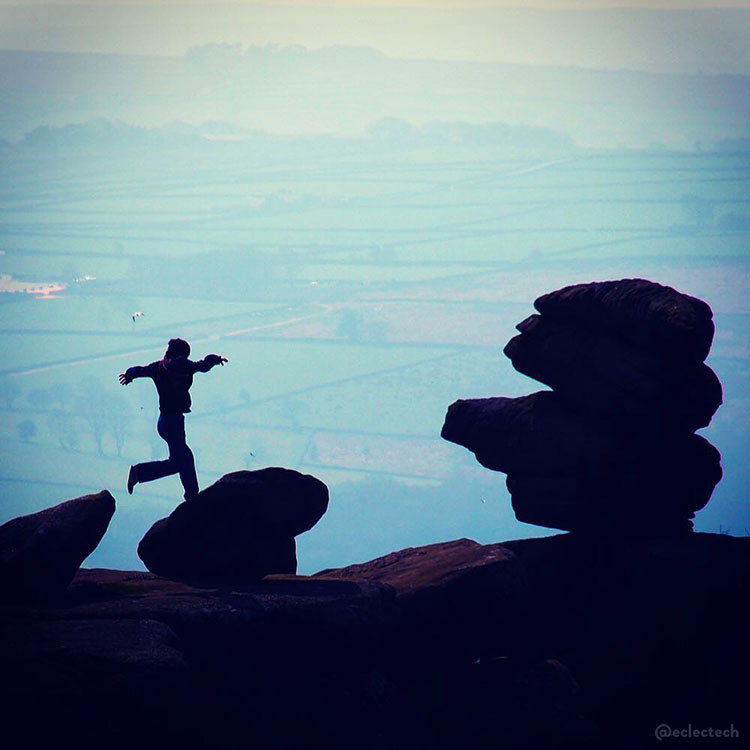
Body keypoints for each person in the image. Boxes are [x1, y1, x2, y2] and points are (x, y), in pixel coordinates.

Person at [119, 337, 227, 501]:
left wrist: (128, 375)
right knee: (178, 462)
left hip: (164, 421)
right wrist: (216, 359)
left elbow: (139, 370)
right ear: (181, 355)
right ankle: (139, 473)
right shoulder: (182, 365)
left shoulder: (158, 366)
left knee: (185, 457)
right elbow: (202, 365)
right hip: (173, 422)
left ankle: (192, 494)